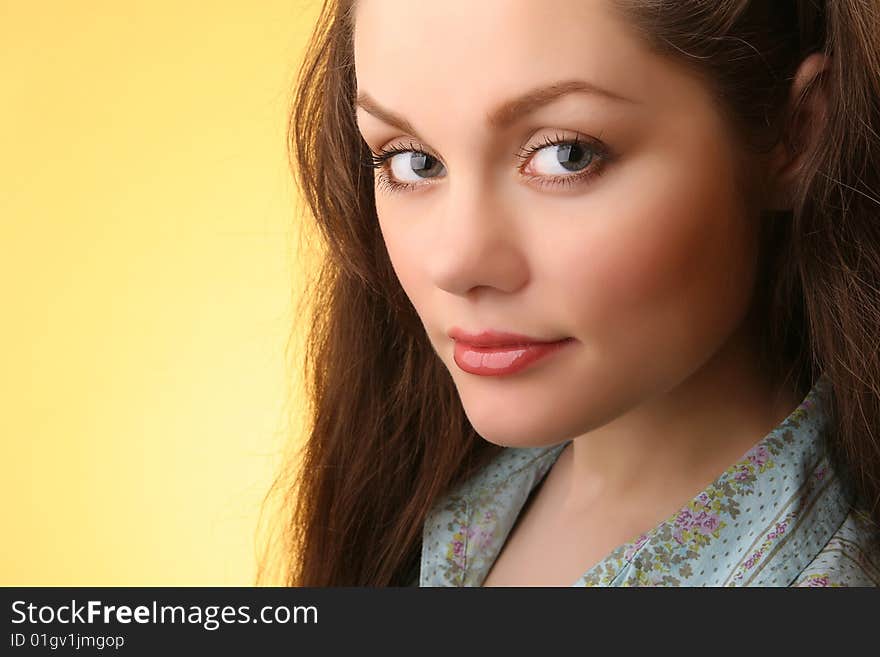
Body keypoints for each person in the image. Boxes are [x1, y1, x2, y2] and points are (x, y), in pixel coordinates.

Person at [256, 0, 880, 586]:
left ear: (798, 134)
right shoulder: (429, 494)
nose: (455, 261)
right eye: (412, 161)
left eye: (566, 154)